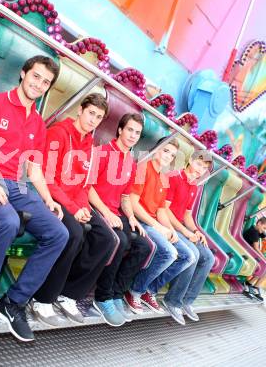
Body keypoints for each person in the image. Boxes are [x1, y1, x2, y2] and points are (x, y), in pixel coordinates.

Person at [0, 55, 68, 342]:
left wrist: (48, 199)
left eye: (46, 82)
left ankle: (12, 302)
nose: (39, 84)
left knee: (59, 233)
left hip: (16, 186)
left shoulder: (37, 123)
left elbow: (33, 168)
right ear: (23, 73)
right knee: (7, 221)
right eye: (36, 76)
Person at [31, 94, 117, 326]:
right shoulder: (59, 133)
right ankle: (42, 298)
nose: (93, 120)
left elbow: (84, 184)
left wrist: (82, 207)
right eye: (91, 113)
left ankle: (67, 294)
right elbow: (47, 178)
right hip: (52, 198)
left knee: (107, 239)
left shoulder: (89, 144)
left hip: (75, 203)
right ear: (80, 110)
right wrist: (72, 207)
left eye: (98, 117)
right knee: (75, 234)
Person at [89, 113, 152, 326]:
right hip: (95, 208)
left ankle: (117, 292)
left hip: (116, 212)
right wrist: (106, 213)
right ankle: (103, 296)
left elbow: (125, 196)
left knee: (143, 245)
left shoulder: (131, 162)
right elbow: (87, 188)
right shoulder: (102, 153)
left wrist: (132, 218)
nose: (133, 135)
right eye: (130, 130)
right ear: (120, 130)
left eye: (137, 133)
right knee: (122, 240)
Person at [125, 138, 195, 315]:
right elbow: (133, 203)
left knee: (187, 256)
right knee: (169, 253)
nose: (168, 157)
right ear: (156, 149)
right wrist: (158, 227)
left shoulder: (163, 177)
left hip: (156, 224)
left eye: (172, 155)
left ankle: (149, 290)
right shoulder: (142, 167)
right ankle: (134, 291)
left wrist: (170, 230)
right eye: (166, 151)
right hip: (142, 221)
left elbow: (162, 209)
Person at [162, 150, 215, 324]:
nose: (201, 169)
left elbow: (187, 215)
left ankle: (187, 301)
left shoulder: (194, 185)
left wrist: (197, 230)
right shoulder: (175, 177)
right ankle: (172, 301)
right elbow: (166, 210)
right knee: (194, 254)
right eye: (199, 164)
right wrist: (186, 232)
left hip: (182, 227)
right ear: (190, 160)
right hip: (168, 224)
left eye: (204, 167)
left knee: (209, 257)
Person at [242, 217, 266, 301]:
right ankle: (251, 285)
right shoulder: (254, 232)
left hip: (248, 253)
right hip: (245, 254)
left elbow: (264, 236)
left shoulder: (258, 231)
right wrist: (264, 259)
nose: (264, 230)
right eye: (264, 228)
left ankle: (253, 285)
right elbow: (256, 248)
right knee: (264, 265)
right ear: (258, 223)